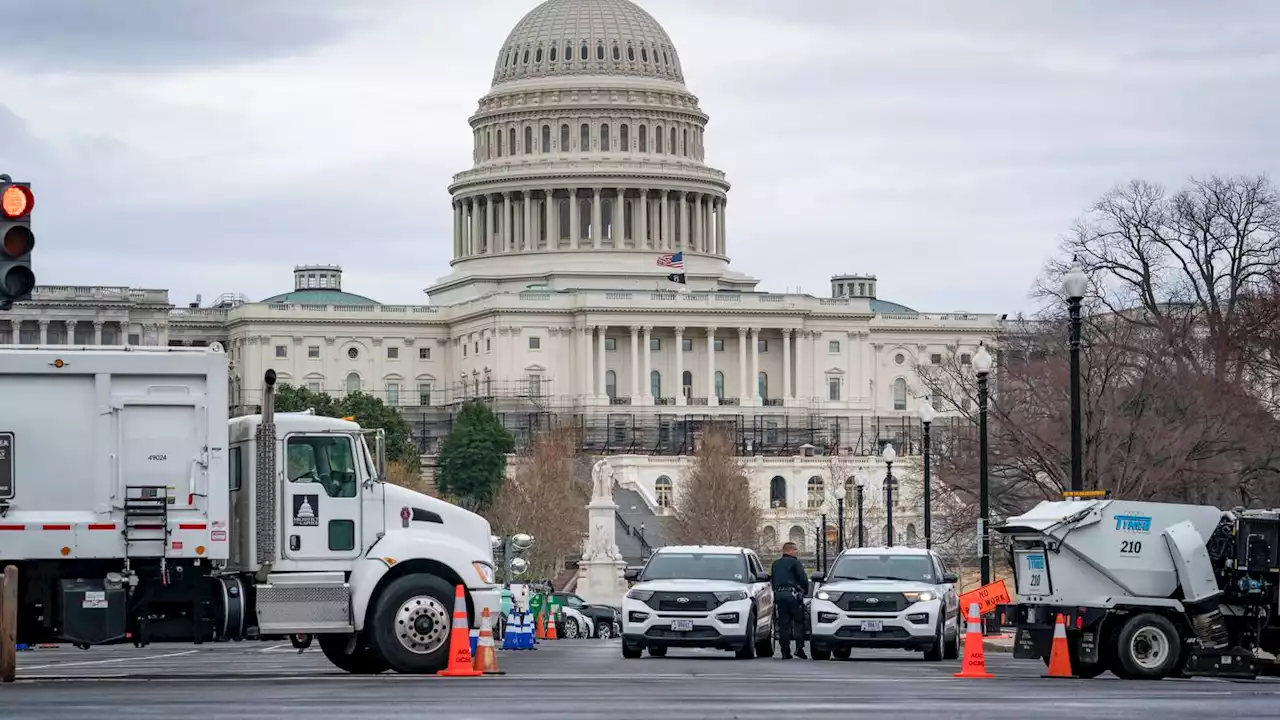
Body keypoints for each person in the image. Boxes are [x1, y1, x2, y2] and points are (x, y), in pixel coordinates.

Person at [771, 542, 809, 659]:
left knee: (784, 624)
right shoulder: (795, 563)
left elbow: (773, 580)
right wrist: (805, 591)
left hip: (780, 595)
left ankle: (785, 651)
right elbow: (803, 578)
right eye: (795, 549)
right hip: (793, 595)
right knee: (798, 622)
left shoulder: (775, 564)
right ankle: (799, 648)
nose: (797, 552)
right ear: (790, 550)